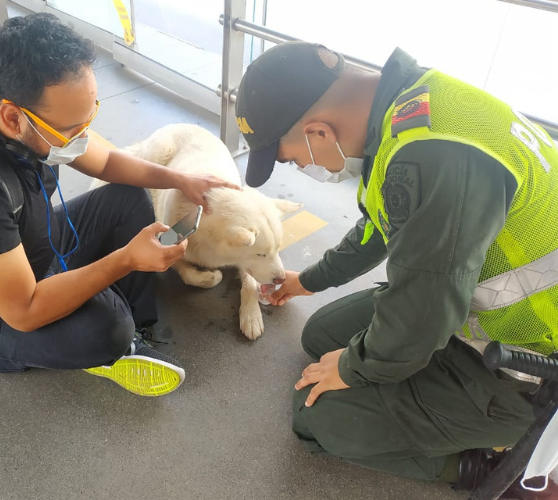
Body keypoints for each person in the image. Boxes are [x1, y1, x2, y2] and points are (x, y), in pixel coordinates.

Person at [235, 42, 558, 497]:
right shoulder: (409, 108)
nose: (302, 167)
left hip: (525, 364)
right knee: (320, 336)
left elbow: (420, 318)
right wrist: (305, 281)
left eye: (291, 158)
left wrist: (351, 367)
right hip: (463, 309)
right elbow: (380, 230)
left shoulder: (431, 155)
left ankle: (478, 463)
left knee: (316, 417)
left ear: (319, 132)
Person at [0, 13, 238, 397]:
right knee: (106, 330)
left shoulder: (4, 104)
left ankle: (136, 323)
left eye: (89, 119)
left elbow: (104, 162)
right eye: (71, 130)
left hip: (22, 245)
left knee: (127, 196)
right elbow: (24, 310)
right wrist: (125, 260)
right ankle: (115, 341)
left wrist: (181, 178)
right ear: (12, 116)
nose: (82, 138)